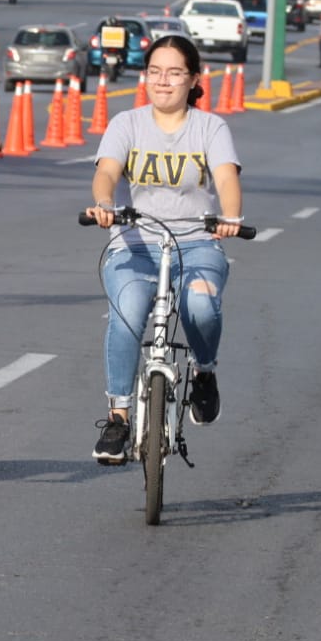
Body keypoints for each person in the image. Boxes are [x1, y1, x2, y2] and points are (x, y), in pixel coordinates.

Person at [84, 35, 244, 466]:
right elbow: (107, 172)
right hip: (136, 244)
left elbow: (226, 178)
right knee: (129, 312)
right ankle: (118, 416)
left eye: (174, 73)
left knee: (202, 305)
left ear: (193, 78)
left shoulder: (211, 127)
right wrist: (103, 205)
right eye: (155, 71)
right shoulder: (127, 123)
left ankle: (204, 373)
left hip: (196, 242)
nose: (163, 81)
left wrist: (230, 214)